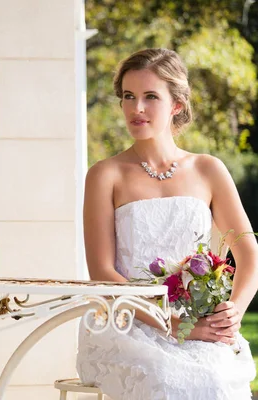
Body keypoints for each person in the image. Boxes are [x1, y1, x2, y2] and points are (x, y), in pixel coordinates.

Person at [76, 48, 258, 399]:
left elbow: (249, 253)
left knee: (216, 380)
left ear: (176, 104)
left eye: (150, 97)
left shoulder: (208, 170)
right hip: (128, 323)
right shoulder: (105, 175)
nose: (136, 108)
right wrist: (173, 326)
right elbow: (102, 273)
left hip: (200, 321)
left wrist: (232, 314)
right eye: (128, 96)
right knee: (164, 378)